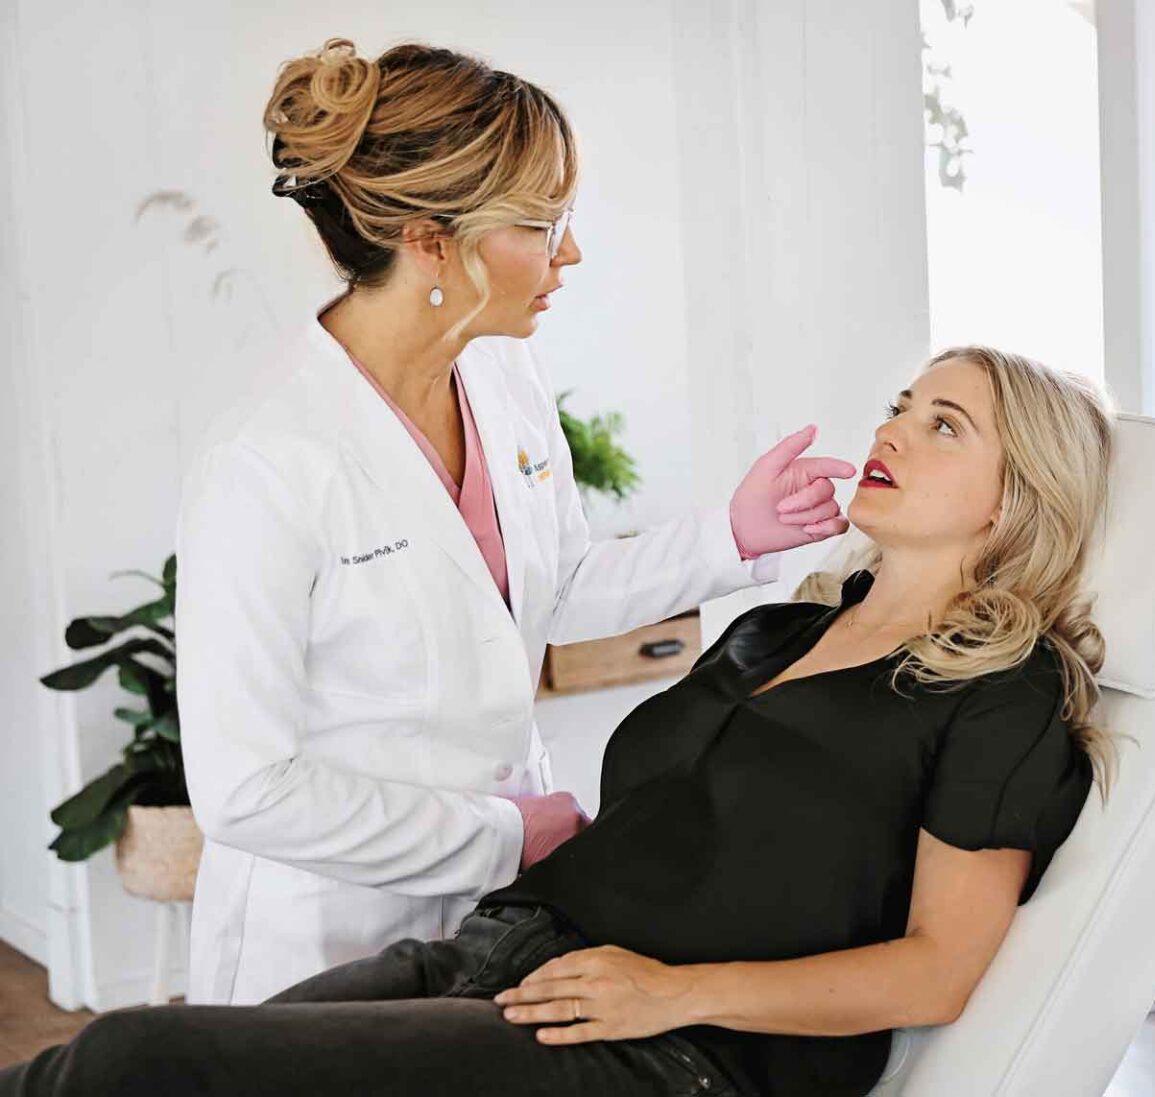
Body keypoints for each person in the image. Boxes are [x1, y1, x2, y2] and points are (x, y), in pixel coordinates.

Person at [1, 344, 1126, 1097]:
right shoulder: (781, 629)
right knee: (119, 1070)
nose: (895, 427)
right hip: (498, 952)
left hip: (664, 1047)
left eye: (944, 425)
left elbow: (937, 970)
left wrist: (674, 990)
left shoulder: (1000, 694)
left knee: (136, 1057)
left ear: (1015, 495)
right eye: (900, 403)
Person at [171, 37, 857, 1006]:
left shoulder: (499, 371)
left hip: (492, 898)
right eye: (542, 223)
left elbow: (551, 585)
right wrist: (500, 831)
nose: (568, 252)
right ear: (428, 239)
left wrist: (730, 536)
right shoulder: (267, 459)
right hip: (327, 924)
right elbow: (246, 789)